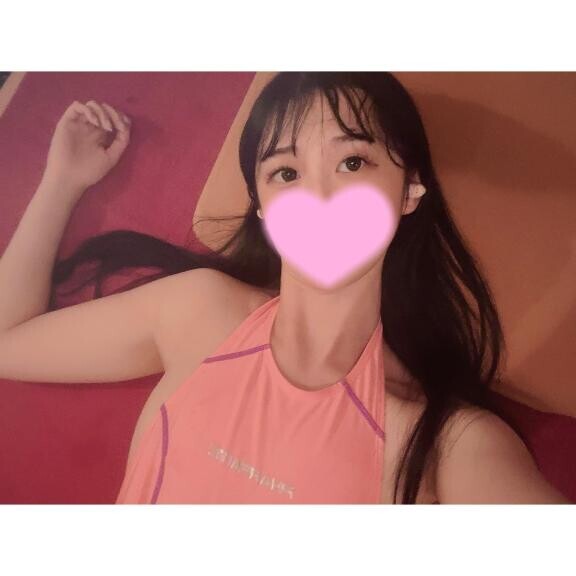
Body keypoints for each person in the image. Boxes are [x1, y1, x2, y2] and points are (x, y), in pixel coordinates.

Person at [0, 72, 570, 504]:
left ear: (409, 190)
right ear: (262, 208)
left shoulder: (446, 446)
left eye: (353, 162)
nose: (319, 198)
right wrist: (62, 181)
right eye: (286, 173)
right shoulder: (197, 311)